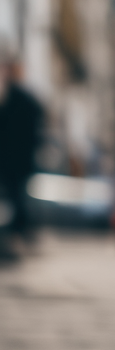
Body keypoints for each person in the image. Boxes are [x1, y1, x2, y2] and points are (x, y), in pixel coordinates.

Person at [0, 55, 45, 254]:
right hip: (16, 160)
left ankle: (17, 234)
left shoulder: (17, 98)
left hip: (14, 160)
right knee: (16, 198)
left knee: (16, 198)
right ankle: (17, 233)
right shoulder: (21, 98)